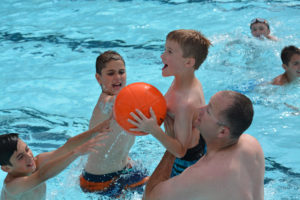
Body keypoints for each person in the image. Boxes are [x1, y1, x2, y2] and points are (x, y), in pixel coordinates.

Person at [144, 90, 265, 200]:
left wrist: (171, 146)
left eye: (208, 111)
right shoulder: (252, 145)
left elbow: (149, 197)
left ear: (222, 131)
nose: (200, 109)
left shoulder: (202, 173)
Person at [128, 29, 211, 177]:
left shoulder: (185, 103)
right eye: (165, 49)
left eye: (170, 52)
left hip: (186, 162)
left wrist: (154, 129)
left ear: (188, 62)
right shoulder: (184, 79)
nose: (162, 55)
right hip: (198, 143)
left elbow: (180, 151)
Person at [80, 51, 149, 197]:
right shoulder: (106, 102)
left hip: (124, 169)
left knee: (155, 189)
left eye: (121, 72)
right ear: (98, 78)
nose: (117, 77)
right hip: (99, 180)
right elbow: (113, 103)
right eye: (110, 73)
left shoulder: (122, 101)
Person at [0, 121, 109, 200]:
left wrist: (96, 130)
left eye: (27, 149)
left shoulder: (36, 162)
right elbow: (42, 176)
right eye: (20, 157)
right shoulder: (12, 186)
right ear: (6, 168)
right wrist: (76, 153)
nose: (29, 157)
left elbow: (65, 148)